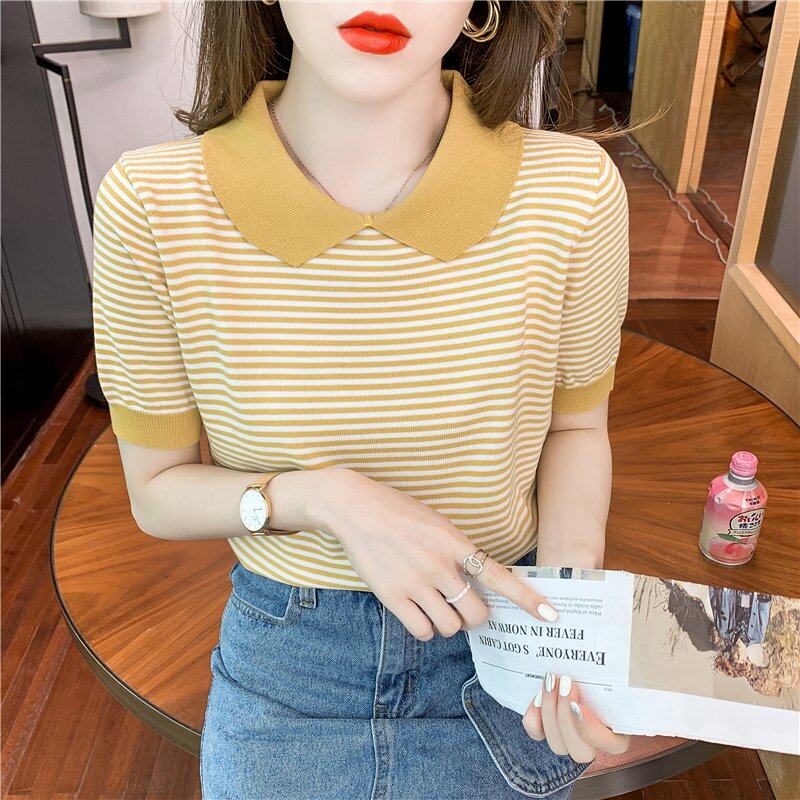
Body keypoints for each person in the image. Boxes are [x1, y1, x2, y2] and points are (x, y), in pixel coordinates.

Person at [91, 2, 632, 797]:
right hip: (289, 667)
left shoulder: (574, 191)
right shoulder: (153, 203)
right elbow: (157, 492)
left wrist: (564, 623)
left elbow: (577, 429)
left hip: (504, 634)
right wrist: (326, 498)